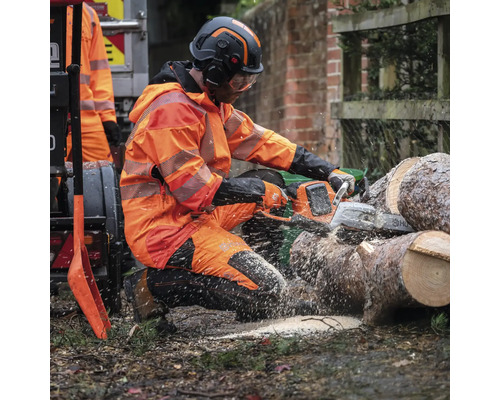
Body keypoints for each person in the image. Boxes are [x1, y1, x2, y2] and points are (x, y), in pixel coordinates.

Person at [121, 16, 355, 327]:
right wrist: (260, 192)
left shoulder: (209, 103)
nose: (243, 88)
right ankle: (148, 285)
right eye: (239, 81)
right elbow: (194, 189)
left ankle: (259, 279)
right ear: (216, 72)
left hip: (196, 215)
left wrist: (328, 171)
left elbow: (263, 142)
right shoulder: (171, 112)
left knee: (269, 182)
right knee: (268, 282)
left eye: (248, 81)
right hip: (164, 230)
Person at [65, 2, 121, 162]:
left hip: (85, 119)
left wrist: (107, 117)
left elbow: (99, 72)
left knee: (104, 177)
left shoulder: (87, 14)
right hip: (50, 117)